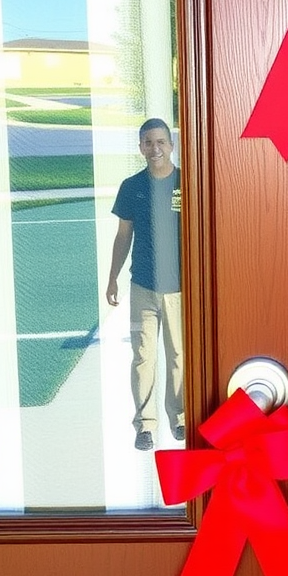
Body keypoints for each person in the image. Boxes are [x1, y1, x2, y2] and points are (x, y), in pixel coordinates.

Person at [106, 118, 184, 451]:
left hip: (180, 289)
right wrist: (112, 278)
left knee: (179, 355)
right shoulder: (131, 187)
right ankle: (145, 425)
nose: (155, 149)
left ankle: (179, 417)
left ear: (171, 145)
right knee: (143, 357)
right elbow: (123, 235)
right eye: (148, 143)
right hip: (143, 288)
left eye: (161, 142)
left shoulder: (186, 182)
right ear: (141, 148)